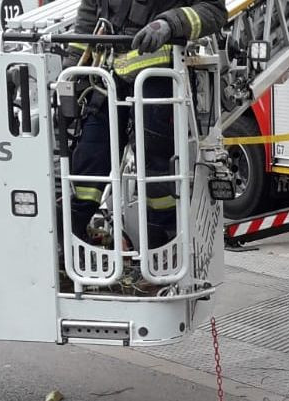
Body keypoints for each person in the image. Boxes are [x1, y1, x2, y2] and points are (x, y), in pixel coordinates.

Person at [66, 0, 227, 247]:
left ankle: (163, 244)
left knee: (157, 166)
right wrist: (72, 67)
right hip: (105, 78)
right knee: (90, 155)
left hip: (157, 78)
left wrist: (170, 24)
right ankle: (73, 239)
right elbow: (90, 12)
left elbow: (213, 11)